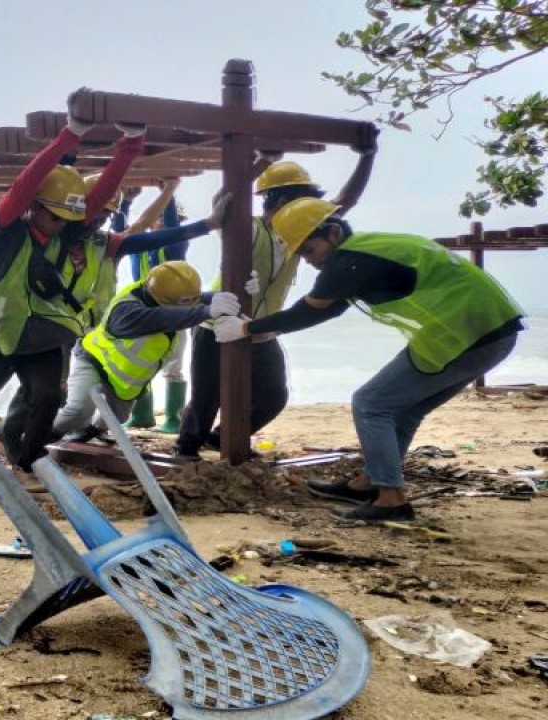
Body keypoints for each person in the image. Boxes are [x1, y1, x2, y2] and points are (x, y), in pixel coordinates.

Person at [213, 198, 523, 522]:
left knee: (370, 403)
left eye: (309, 250)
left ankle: (391, 499)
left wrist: (247, 327)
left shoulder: (350, 260)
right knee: (406, 408)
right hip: (489, 333)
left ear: (332, 233)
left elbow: (309, 310)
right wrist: (260, 328)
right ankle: (370, 483)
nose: (309, 262)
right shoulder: (368, 251)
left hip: (466, 334)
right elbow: (328, 309)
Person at [0, 87, 146, 492]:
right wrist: (70, 135)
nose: (61, 225)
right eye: (53, 216)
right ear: (35, 207)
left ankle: (31, 463)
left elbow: (96, 198)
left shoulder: (64, 231)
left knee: (47, 397)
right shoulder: (4, 233)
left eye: (66, 219)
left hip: (40, 337)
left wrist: (130, 146)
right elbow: (24, 184)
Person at [175, 140, 378, 459]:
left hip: (262, 328)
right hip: (219, 324)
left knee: (273, 396)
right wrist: (261, 163)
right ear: (282, 201)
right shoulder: (248, 228)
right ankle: (186, 449)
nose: (311, 210)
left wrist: (368, 156)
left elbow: (344, 203)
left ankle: (225, 437)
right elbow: (224, 199)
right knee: (206, 397)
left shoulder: (301, 230)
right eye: (305, 201)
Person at [53, 261, 241, 439]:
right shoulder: (127, 311)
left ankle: (88, 433)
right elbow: (163, 317)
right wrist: (206, 311)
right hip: (93, 360)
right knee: (78, 411)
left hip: (122, 377)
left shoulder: (161, 292)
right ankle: (41, 436)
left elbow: (190, 301)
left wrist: (217, 296)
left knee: (116, 418)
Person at [123, 187, 193, 433]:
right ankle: (142, 414)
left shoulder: (175, 247)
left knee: (173, 366)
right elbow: (119, 229)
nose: (166, 224)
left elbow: (174, 226)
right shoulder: (138, 247)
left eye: (169, 219)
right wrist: (126, 201)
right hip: (143, 312)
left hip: (173, 311)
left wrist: (169, 192)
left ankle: (173, 418)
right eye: (159, 218)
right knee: (138, 365)